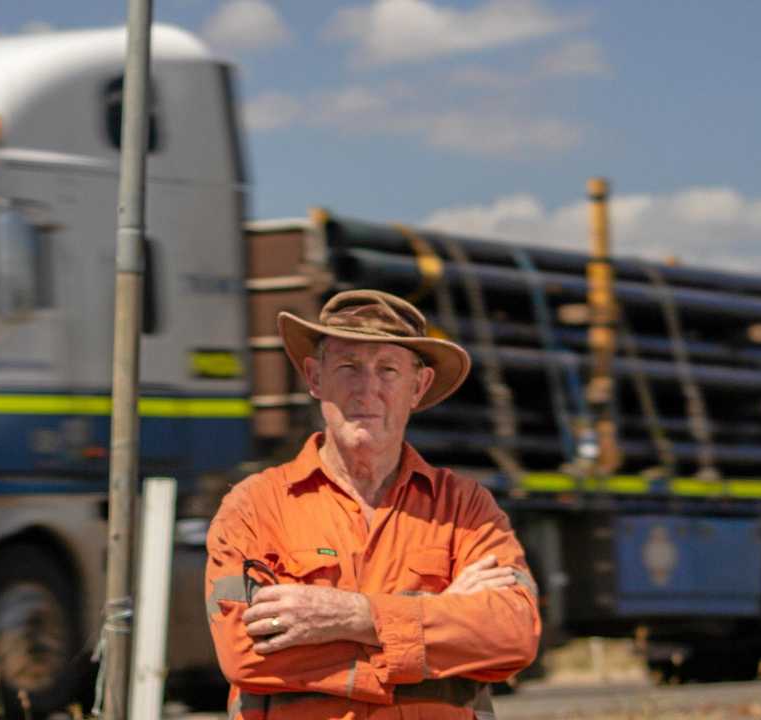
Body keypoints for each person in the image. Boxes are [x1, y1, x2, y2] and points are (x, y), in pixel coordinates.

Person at [205, 290, 540, 719]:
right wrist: (439, 624)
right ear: (314, 378)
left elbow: (513, 635)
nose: (368, 389)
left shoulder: (466, 509)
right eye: (348, 366)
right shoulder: (253, 507)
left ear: (418, 387)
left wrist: (355, 616)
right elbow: (245, 654)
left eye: (388, 369)